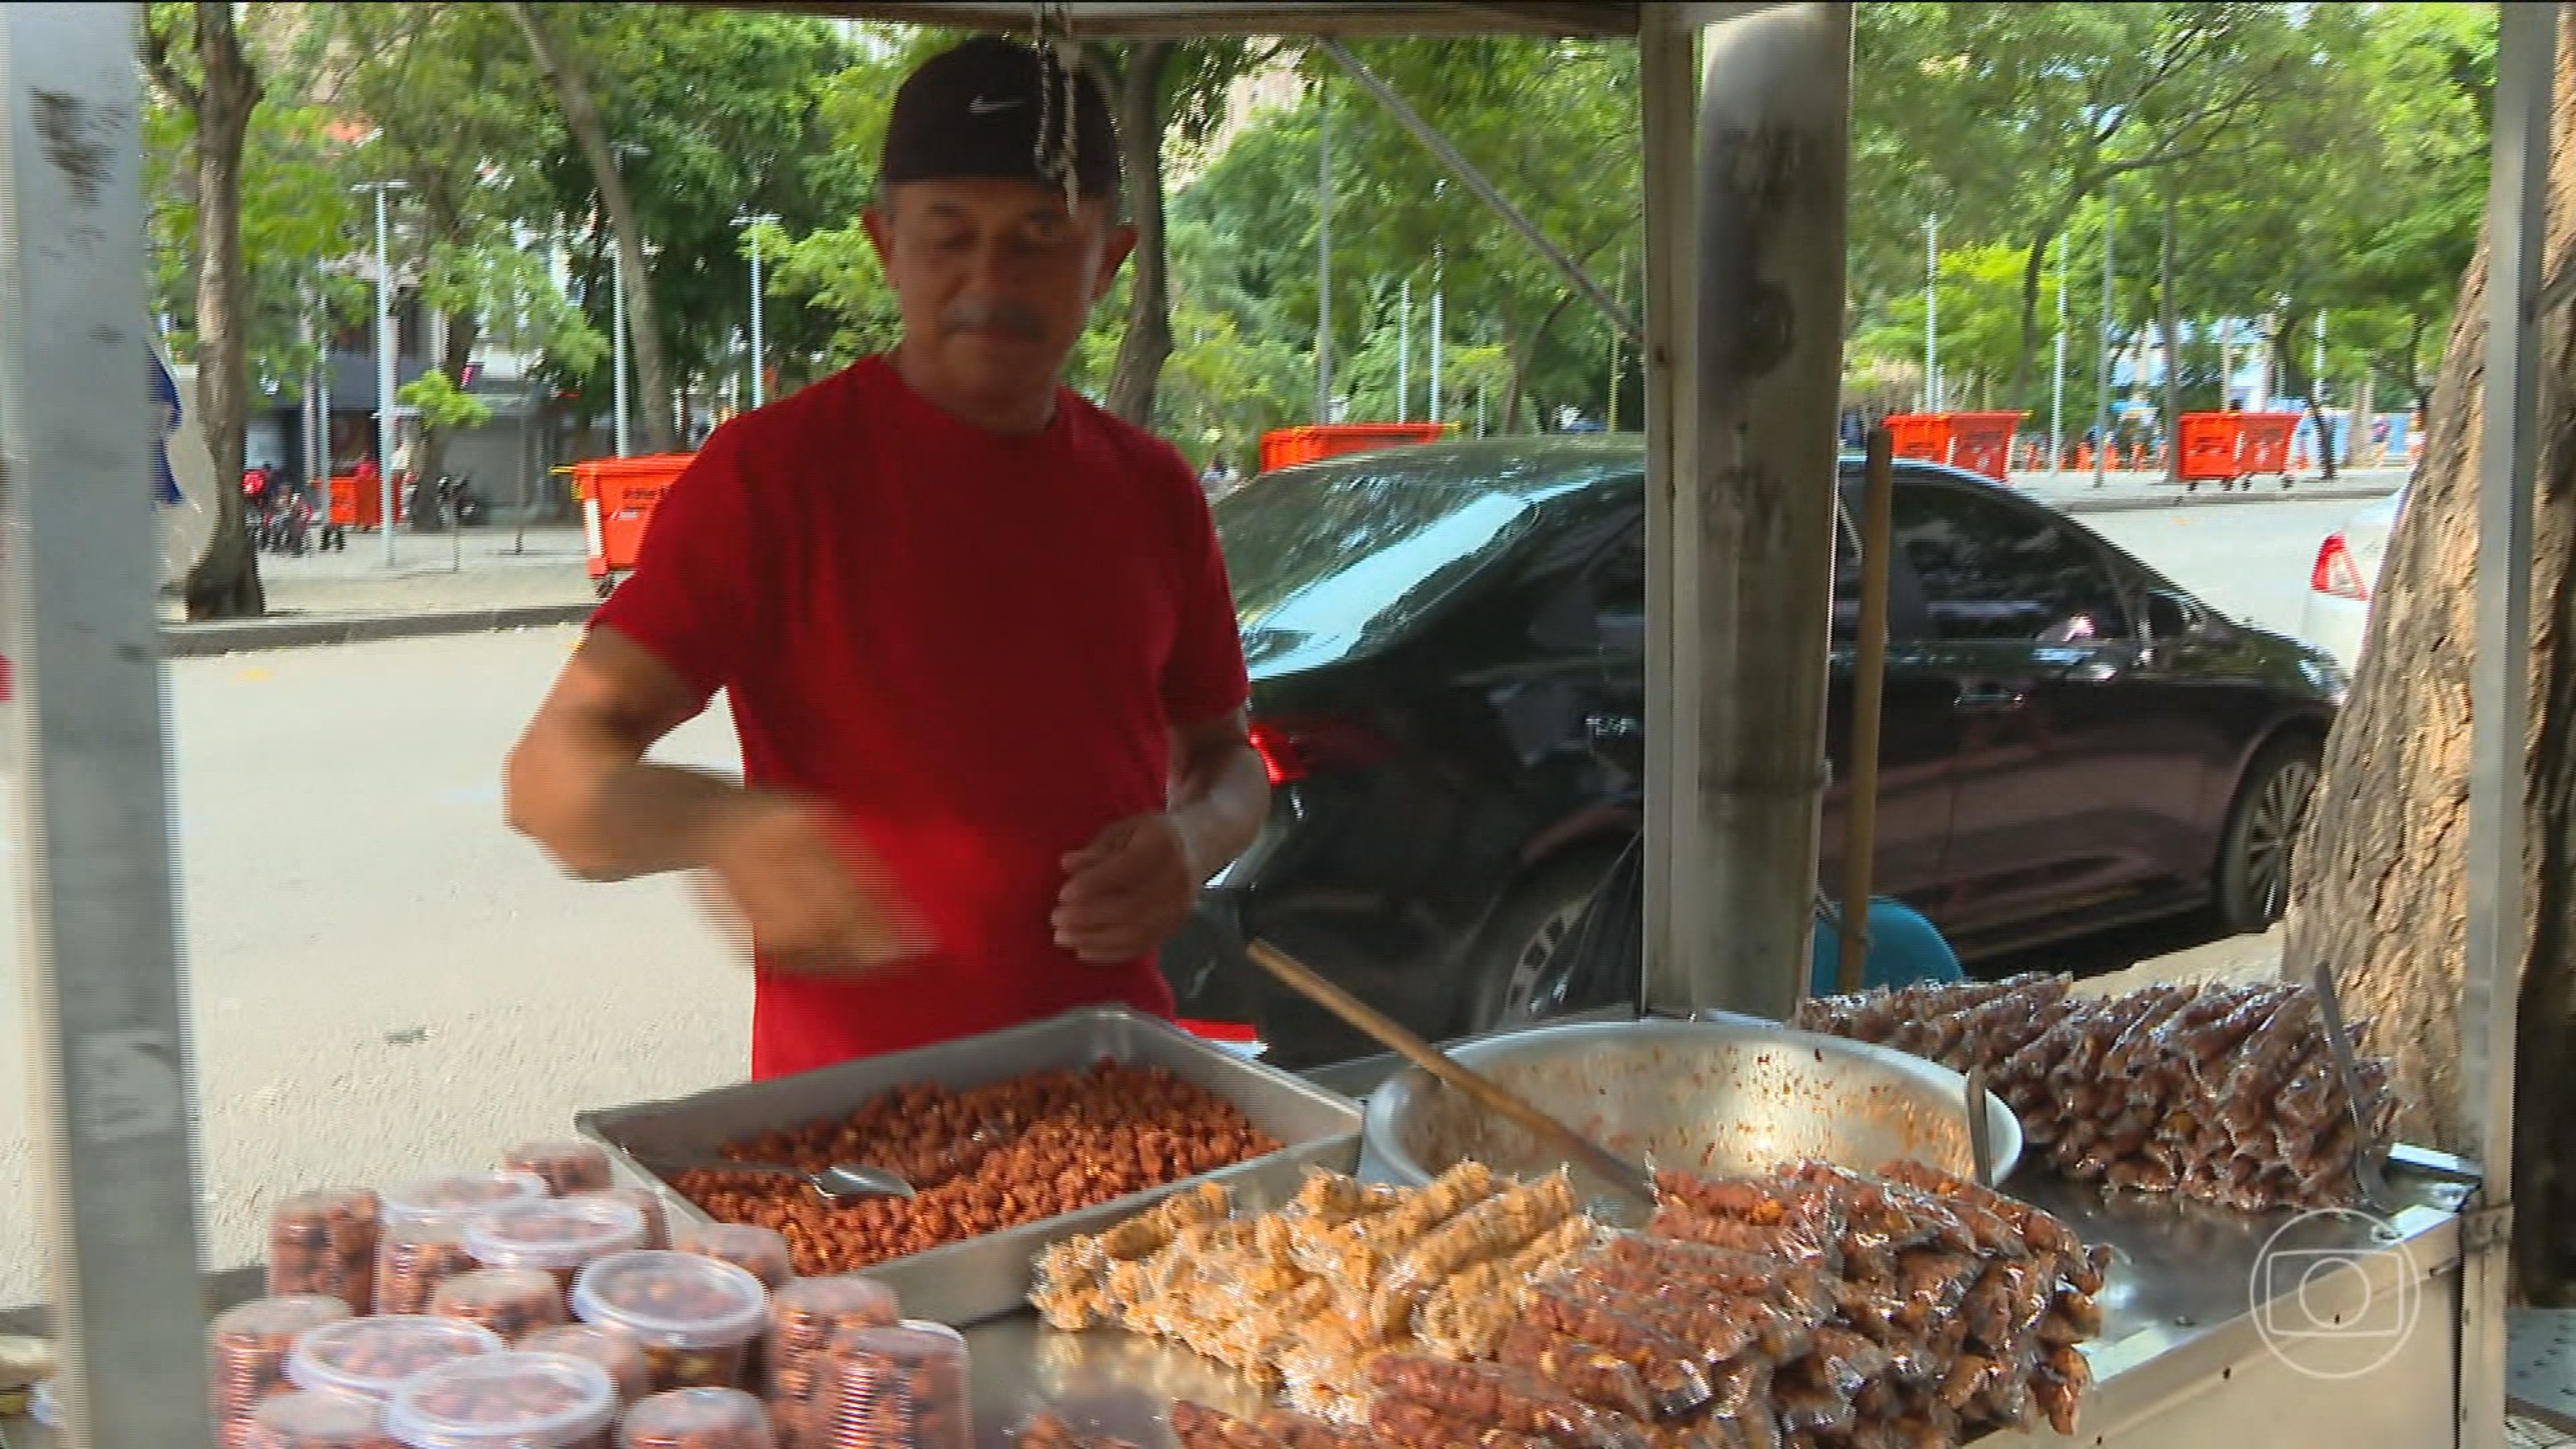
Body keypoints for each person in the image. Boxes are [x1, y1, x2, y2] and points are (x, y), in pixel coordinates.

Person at [503, 35, 1269, 1081]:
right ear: (884, 245)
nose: (990, 280)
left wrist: (1191, 844)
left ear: (1112, 258)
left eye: (1041, 237)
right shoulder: (770, 481)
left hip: (1118, 1085)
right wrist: (726, 826)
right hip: (854, 1132)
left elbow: (1230, 761)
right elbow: (549, 780)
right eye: (949, 236)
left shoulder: (1155, 492)